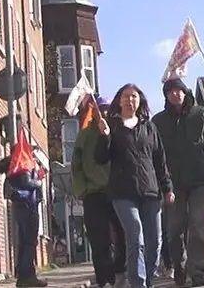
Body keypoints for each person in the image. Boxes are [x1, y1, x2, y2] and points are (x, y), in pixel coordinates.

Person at [95, 84, 174, 288]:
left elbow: (160, 160)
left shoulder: (149, 127)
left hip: (150, 191)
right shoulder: (111, 125)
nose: (130, 100)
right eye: (126, 96)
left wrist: (167, 187)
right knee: (135, 234)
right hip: (122, 192)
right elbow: (101, 158)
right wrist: (104, 137)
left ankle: (148, 279)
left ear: (140, 101)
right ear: (119, 101)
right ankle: (138, 283)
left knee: (154, 241)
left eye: (134, 96)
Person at [152, 78, 204, 287]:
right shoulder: (159, 121)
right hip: (172, 183)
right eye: (171, 91)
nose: (176, 94)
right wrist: (161, 183)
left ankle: (198, 271)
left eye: (179, 90)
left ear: (185, 92)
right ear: (166, 95)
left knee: (198, 226)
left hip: (199, 180)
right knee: (174, 231)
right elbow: (156, 155)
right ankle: (179, 267)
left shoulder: (201, 114)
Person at [73, 96, 126, 288]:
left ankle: (121, 272)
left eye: (105, 109)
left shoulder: (118, 131)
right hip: (94, 193)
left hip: (118, 191)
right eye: (98, 109)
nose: (102, 113)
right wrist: (81, 189)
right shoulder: (84, 135)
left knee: (124, 235)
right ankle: (105, 280)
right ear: (93, 112)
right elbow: (76, 166)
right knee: (99, 239)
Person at [0, 132, 48, 288]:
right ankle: (27, 276)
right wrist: (38, 180)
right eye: (30, 151)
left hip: (21, 207)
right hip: (28, 206)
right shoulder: (23, 165)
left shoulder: (14, 167)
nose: (32, 154)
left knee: (25, 242)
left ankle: (25, 275)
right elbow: (28, 184)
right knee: (29, 242)